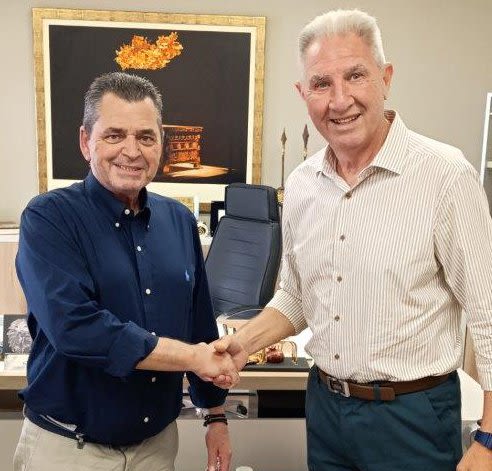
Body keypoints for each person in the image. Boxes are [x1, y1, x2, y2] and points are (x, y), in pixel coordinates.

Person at [213, 9, 492, 471]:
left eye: (355, 75)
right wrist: (243, 344)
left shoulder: (445, 177)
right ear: (303, 94)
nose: (340, 100)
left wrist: (489, 439)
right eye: (322, 83)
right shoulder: (302, 184)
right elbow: (297, 296)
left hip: (412, 418)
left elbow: (488, 315)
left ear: (386, 78)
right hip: (326, 410)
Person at [14, 72, 238, 471]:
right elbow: (77, 328)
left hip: (156, 448)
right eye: (115, 135)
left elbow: (199, 323)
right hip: (69, 449)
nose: (131, 151)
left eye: (146, 137)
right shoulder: (48, 219)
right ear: (86, 141)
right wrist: (193, 357)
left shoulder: (179, 221)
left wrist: (215, 415)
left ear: (161, 145)